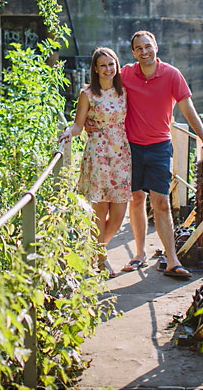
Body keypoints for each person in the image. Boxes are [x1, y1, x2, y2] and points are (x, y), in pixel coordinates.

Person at [86, 31, 203, 279]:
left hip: (159, 146)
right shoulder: (125, 72)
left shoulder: (171, 74)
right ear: (134, 52)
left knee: (161, 201)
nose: (144, 51)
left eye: (148, 46)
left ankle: (172, 260)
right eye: (139, 48)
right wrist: (87, 122)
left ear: (156, 46)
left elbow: (188, 109)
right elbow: (98, 91)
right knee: (136, 200)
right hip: (130, 148)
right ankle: (139, 254)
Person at [59, 47, 132, 278]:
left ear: (117, 66)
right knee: (100, 212)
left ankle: (92, 250)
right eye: (103, 65)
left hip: (121, 154)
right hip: (98, 154)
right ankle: (101, 260)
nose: (108, 69)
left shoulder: (125, 92)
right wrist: (68, 133)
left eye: (111, 64)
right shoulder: (88, 94)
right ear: (95, 68)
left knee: (119, 213)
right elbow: (78, 125)